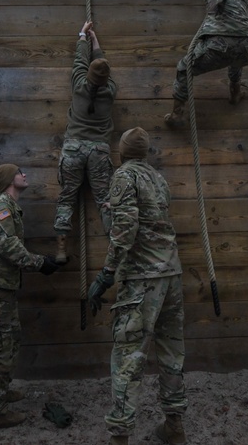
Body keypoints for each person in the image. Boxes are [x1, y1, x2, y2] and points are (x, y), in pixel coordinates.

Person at [87, 127, 187, 445]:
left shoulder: (124, 175)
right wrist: (115, 213)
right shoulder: (158, 178)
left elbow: (127, 230)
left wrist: (106, 275)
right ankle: (174, 426)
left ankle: (120, 437)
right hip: (171, 274)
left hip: (142, 279)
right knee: (171, 352)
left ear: (122, 151)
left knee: (128, 356)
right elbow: (150, 218)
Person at [0, 164, 61, 429]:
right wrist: (40, 263)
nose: (24, 175)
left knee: (8, 342)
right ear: (8, 180)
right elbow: (8, 247)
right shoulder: (1, 208)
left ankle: (0, 394)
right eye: (19, 172)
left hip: (4, 287)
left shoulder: (11, 208)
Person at [164, 0, 248, 126]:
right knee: (236, 59)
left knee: (183, 69)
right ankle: (235, 93)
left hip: (218, 46)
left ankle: (177, 114)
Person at [53, 20, 118, 264]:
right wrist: (97, 44)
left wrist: (84, 35)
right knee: (105, 200)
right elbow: (103, 68)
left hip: (73, 148)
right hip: (99, 150)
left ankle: (61, 247)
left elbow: (80, 62)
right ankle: (115, 244)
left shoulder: (79, 85)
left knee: (67, 196)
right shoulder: (110, 90)